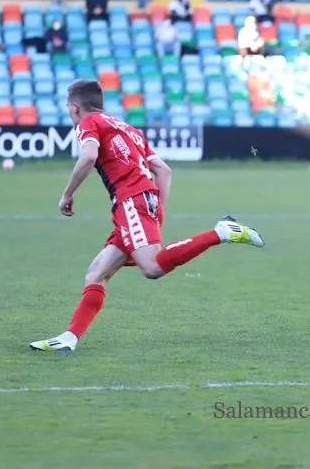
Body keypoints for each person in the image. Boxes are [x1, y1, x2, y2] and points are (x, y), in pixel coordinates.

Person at [28, 80, 266, 352]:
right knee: (96, 273)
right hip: (140, 202)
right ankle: (69, 338)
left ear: (74, 107)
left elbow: (89, 157)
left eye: (68, 108)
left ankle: (221, 232)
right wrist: (156, 210)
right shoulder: (127, 128)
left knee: (152, 267)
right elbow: (164, 170)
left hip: (131, 201)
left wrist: (67, 194)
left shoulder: (88, 123)